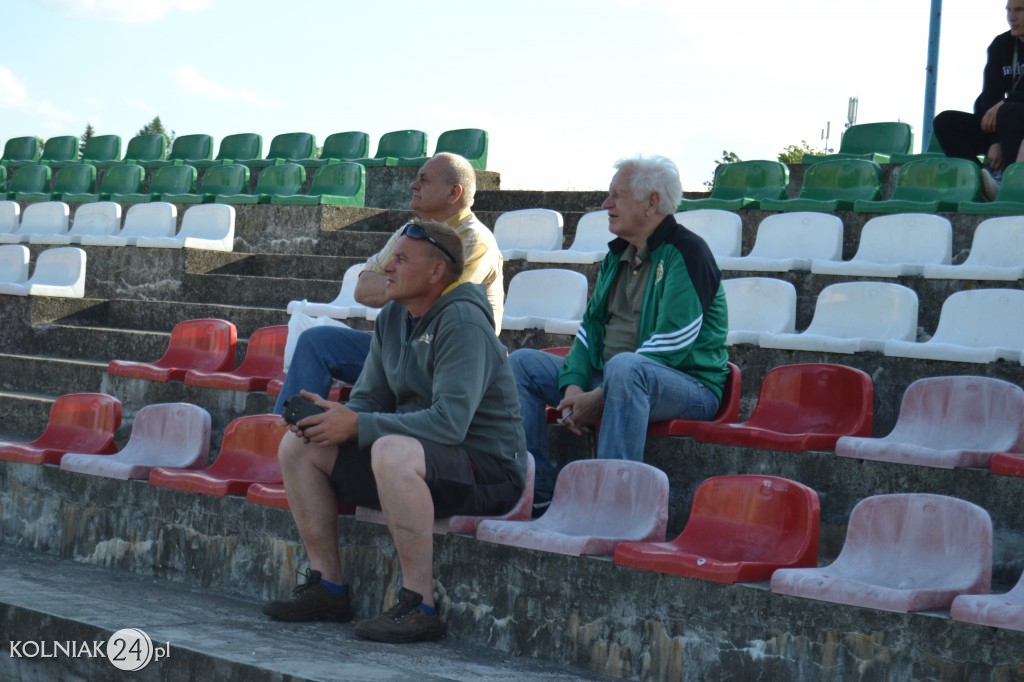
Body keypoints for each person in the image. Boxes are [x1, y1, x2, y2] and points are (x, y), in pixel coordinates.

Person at [263, 221, 528, 644]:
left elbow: (449, 423)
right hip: (418, 461)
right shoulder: (393, 317)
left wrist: (361, 425)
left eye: (402, 259)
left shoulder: (463, 320)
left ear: (436, 273)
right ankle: (328, 587)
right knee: (301, 444)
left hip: (488, 469)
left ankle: (419, 605)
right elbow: (369, 400)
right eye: (391, 257)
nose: (388, 266)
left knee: (390, 450)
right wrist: (336, 415)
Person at [509, 155, 729, 513]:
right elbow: (590, 330)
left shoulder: (688, 252)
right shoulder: (617, 256)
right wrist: (575, 388)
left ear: (652, 202)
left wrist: (600, 394)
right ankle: (536, 492)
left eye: (617, 195)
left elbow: (674, 342)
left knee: (626, 368)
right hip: (615, 377)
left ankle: (612, 508)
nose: (605, 204)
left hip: (689, 384)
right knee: (521, 365)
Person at [273, 152, 503, 414]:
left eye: (424, 180)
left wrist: (394, 284)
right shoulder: (412, 232)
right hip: (403, 350)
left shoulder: (475, 242)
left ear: (453, 193)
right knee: (316, 341)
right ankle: (286, 434)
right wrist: (407, 282)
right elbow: (362, 289)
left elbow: (439, 307)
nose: (412, 185)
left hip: (446, 358)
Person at [933, 0, 1024, 199]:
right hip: (1005, 125)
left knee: (1009, 111)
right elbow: (990, 95)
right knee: (945, 122)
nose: (1011, 16)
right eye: (1008, 10)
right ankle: (977, 182)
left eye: (1019, 10)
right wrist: (994, 141)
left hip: (1017, 121)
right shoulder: (1001, 45)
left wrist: (1005, 103)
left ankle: (1008, 183)